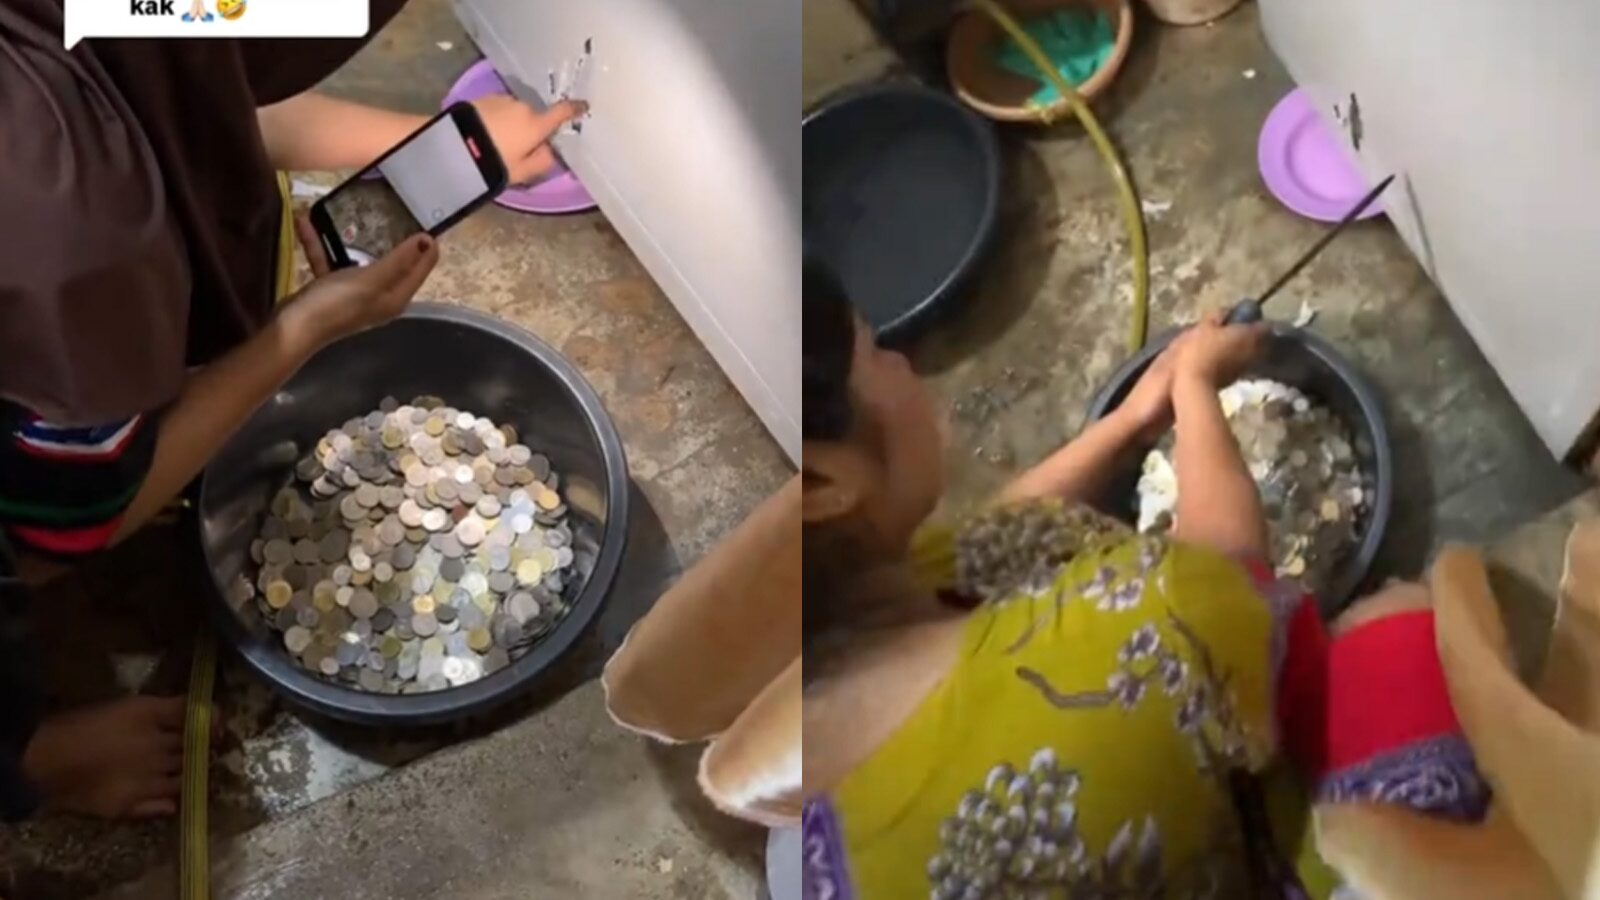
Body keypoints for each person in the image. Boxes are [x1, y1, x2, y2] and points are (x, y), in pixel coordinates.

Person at [0, 0, 582, 820]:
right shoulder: (69, 254)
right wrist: (303, 328)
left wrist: (432, 141)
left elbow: (194, 84)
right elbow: (67, 515)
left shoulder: (112, 33)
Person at [798, 257, 1489, 899]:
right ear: (825, 482)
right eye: (874, 351)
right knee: (1397, 619)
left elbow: (986, 539)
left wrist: (1136, 418)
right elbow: (1226, 569)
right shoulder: (1126, 643)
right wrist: (1195, 389)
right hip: (1242, 856)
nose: (902, 362)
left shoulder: (827, 660)